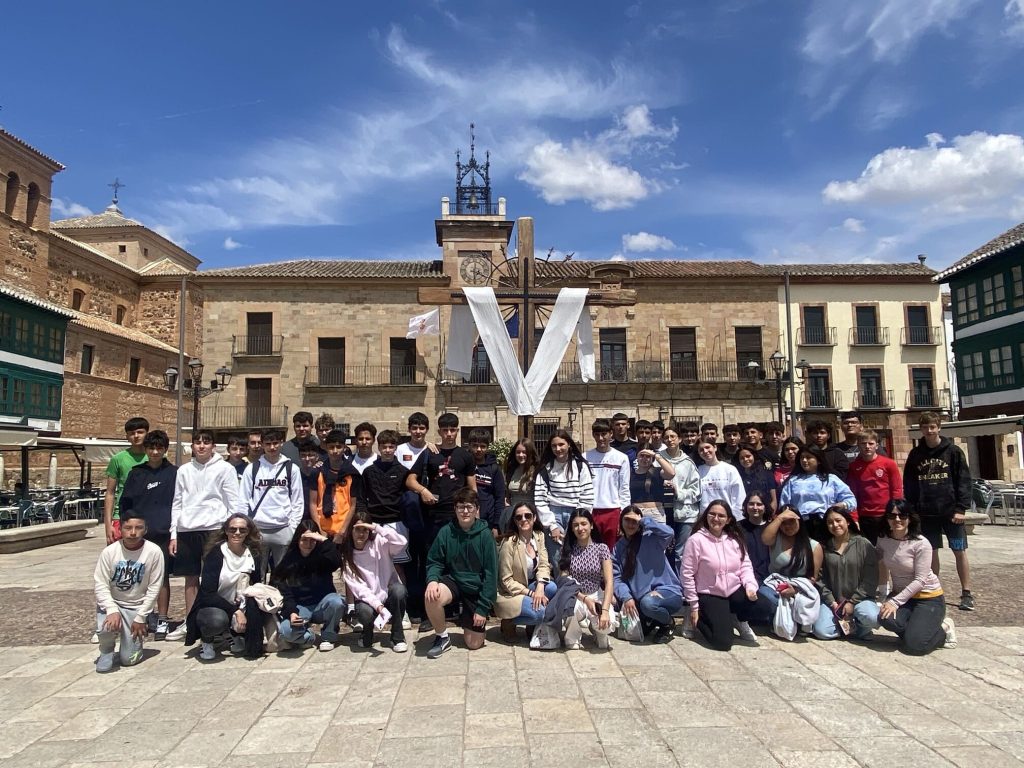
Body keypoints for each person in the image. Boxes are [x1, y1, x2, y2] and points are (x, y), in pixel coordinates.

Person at [167, 431, 239, 641]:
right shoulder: (184, 470)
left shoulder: (225, 469)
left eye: (206, 442)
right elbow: (177, 503)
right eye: (197, 442)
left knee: (216, 578)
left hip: (214, 528)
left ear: (213, 446)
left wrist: (231, 530)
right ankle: (191, 622)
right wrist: (174, 534)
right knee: (191, 579)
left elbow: (233, 502)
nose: (201, 446)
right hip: (187, 529)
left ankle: (220, 621)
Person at [406, 412, 476, 628]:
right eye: (444, 430)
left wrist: (477, 520)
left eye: (452, 430)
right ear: (439, 431)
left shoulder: (465, 455)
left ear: (457, 430)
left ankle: (456, 608)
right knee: (433, 561)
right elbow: (410, 480)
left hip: (458, 517)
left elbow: (472, 488)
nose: (448, 434)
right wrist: (423, 491)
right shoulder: (429, 454)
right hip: (433, 517)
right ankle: (431, 613)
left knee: (458, 561)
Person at [903, 412, 974, 611]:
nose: (929, 431)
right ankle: (936, 591)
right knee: (930, 553)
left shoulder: (953, 451)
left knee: (959, 551)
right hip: (926, 513)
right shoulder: (916, 454)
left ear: (939, 427)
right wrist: (912, 509)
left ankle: (966, 592)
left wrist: (961, 508)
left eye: (932, 427)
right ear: (921, 429)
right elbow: (909, 483)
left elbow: (964, 480)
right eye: (925, 427)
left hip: (952, 512)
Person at [873, 499, 957, 654]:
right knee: (885, 618)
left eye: (902, 516)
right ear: (886, 518)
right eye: (892, 516)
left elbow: (920, 580)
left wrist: (894, 603)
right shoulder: (883, 539)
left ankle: (944, 630)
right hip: (903, 596)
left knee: (915, 647)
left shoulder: (921, 543)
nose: (897, 519)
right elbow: (876, 560)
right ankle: (917, 631)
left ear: (910, 518)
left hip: (928, 597)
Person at [423, 488, 498, 658]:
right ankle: (442, 637)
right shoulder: (446, 532)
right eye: (460, 507)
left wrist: (483, 608)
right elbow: (434, 561)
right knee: (431, 595)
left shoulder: (485, 535)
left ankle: (469, 619)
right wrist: (433, 580)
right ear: (455, 509)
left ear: (476, 509)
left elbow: (491, 574)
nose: (465, 511)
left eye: (469, 507)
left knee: (474, 644)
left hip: (475, 587)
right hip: (455, 581)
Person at [118, 429, 176, 639]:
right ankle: (141, 615)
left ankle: (161, 618)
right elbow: (125, 503)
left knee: (161, 578)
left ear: (165, 449)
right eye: (151, 448)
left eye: (159, 448)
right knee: (138, 576)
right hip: (139, 533)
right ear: (145, 449)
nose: (154, 452)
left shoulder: (174, 473)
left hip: (163, 532)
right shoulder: (136, 473)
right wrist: (126, 528)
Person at [680, 500, 760, 649]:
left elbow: (746, 566)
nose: (716, 519)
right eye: (712, 514)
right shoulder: (696, 540)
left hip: (732, 589)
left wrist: (750, 586)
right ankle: (698, 618)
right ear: (706, 516)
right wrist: (694, 605)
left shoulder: (735, 539)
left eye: (721, 516)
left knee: (760, 603)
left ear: (728, 519)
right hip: (709, 592)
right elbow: (687, 574)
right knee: (723, 643)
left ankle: (739, 619)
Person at [183, 513, 264, 660]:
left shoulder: (253, 554)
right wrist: (236, 612)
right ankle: (207, 640)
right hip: (213, 604)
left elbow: (256, 584)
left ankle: (233, 633)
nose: (237, 533)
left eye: (242, 530)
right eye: (233, 529)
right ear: (226, 531)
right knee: (217, 621)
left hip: (240, 603)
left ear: (248, 532)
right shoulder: (216, 553)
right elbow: (207, 593)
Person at [93, 510, 164, 672]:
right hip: (114, 602)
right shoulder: (110, 552)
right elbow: (101, 584)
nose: (133, 533)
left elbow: (155, 587)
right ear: (120, 529)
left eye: (138, 528)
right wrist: (111, 609)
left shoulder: (153, 552)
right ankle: (106, 651)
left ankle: (130, 647)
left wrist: (141, 616)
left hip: (136, 605)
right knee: (106, 627)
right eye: (128, 528)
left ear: (145, 530)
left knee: (128, 660)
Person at [339, 510, 409, 652]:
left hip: (386, 592)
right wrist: (378, 606)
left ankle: (397, 637)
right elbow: (360, 590)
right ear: (351, 530)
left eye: (365, 530)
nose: (361, 534)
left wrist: (377, 528)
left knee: (399, 591)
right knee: (365, 612)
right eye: (357, 529)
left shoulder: (379, 543)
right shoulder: (347, 556)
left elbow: (402, 542)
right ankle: (367, 632)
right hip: (367, 600)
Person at [270, 520, 345, 652]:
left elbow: (337, 560)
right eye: (305, 539)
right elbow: (285, 592)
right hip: (300, 607)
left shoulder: (323, 558)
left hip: (322, 605)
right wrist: (292, 612)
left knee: (337, 602)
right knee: (286, 632)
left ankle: (329, 636)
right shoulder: (288, 561)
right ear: (297, 540)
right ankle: (309, 637)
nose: (309, 544)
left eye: (313, 540)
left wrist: (323, 539)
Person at [239, 427, 304, 575]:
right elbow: (243, 499)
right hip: (258, 529)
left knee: (283, 575)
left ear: (281, 443)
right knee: (256, 574)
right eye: (268, 444)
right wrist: (246, 526)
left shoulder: (291, 469)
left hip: (283, 528)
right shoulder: (252, 469)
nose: (272, 447)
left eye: (275, 443)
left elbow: (297, 501)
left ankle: (281, 598)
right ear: (262, 445)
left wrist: (292, 527)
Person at [612, 505, 683, 642]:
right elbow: (617, 578)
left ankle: (668, 622)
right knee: (636, 629)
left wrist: (645, 521)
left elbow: (669, 533)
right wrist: (626, 597)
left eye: (635, 521)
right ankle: (652, 620)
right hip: (639, 597)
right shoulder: (618, 548)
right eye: (627, 520)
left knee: (648, 604)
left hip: (667, 592)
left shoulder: (651, 538)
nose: (631, 524)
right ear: (621, 521)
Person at [812, 506, 879, 640]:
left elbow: (870, 579)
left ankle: (859, 627)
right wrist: (832, 602)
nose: (835, 525)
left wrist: (853, 602)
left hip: (860, 600)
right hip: (833, 602)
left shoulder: (864, 544)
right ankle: (847, 627)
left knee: (872, 617)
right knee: (821, 632)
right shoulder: (824, 547)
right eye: (830, 522)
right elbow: (819, 579)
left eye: (838, 520)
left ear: (847, 521)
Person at [495, 502, 556, 642]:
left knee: (551, 587)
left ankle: (530, 626)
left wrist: (540, 587)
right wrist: (532, 594)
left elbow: (544, 565)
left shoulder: (539, 536)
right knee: (540, 613)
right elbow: (506, 581)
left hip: (530, 586)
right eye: (519, 517)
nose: (523, 519)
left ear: (534, 518)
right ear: (515, 521)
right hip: (510, 593)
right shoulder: (509, 543)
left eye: (527, 515)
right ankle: (508, 621)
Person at [534, 429, 594, 564]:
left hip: (576, 512)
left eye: (561, 444)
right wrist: (551, 525)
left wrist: (579, 520)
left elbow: (587, 495)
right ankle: (563, 584)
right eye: (554, 446)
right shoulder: (546, 468)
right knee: (557, 557)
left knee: (578, 553)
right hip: (554, 513)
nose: (558, 448)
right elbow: (540, 499)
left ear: (569, 445)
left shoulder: (580, 466)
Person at [758, 505, 823, 627]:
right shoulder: (775, 540)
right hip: (776, 586)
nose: (788, 526)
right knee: (765, 597)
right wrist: (779, 518)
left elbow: (813, 578)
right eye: (784, 523)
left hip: (800, 588)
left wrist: (795, 590)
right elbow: (765, 539)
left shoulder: (814, 546)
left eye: (791, 522)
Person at [559, 509, 615, 650]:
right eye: (576, 525)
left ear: (591, 525)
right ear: (571, 528)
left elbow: (609, 582)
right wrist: (584, 599)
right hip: (575, 595)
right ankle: (572, 636)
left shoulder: (601, 549)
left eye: (584, 524)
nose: (580, 528)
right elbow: (565, 582)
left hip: (596, 594)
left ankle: (597, 630)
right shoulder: (567, 549)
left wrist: (606, 610)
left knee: (606, 629)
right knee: (571, 609)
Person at [779, 446, 856, 541]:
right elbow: (784, 505)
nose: (804, 460)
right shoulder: (793, 481)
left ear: (819, 460)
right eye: (802, 458)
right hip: (802, 526)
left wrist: (840, 505)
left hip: (826, 524)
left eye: (808, 457)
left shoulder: (831, 479)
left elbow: (851, 500)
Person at [848, 429, 903, 546]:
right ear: (858, 445)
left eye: (871, 443)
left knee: (888, 548)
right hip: (865, 516)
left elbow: (897, 489)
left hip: (885, 514)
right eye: (863, 444)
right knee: (868, 548)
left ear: (877, 445)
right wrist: (854, 517)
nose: (867, 447)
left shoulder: (889, 464)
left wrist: (895, 512)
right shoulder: (854, 467)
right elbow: (852, 493)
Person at [657, 425, 701, 569]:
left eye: (673, 437)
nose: (669, 440)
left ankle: (681, 584)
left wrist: (678, 492)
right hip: (663, 512)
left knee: (681, 552)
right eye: (666, 437)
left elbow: (697, 491)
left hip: (685, 513)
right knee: (662, 550)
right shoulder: (657, 458)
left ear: (679, 439)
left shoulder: (688, 463)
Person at [585, 419, 631, 547]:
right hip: (591, 510)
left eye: (604, 434)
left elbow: (624, 489)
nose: (601, 438)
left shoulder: (621, 458)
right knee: (591, 550)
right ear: (593, 435)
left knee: (612, 551)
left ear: (611, 434)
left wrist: (624, 515)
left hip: (613, 511)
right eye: (597, 434)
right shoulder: (585, 457)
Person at [104, 416, 149, 544]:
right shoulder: (118, 459)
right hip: (122, 515)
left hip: (147, 515)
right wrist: (108, 524)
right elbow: (110, 493)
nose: (136, 436)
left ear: (146, 434)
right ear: (127, 436)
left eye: (140, 432)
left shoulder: (154, 457)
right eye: (132, 433)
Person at [309, 429, 358, 540]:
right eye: (331, 447)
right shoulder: (317, 471)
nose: (335, 451)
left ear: (344, 447)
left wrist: (343, 530)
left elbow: (353, 505)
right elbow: (312, 503)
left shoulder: (352, 473)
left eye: (339, 447)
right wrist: (319, 530)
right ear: (326, 447)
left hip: (343, 529)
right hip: (322, 528)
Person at [467, 428, 506, 539]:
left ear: (487, 447)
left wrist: (496, 525)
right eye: (475, 446)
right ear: (469, 445)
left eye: (483, 446)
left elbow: (499, 498)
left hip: (488, 521)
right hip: (467, 518)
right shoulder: (464, 464)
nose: (479, 449)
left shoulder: (494, 468)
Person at [696, 438, 745, 516]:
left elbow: (739, 496)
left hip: (726, 517)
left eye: (708, 447)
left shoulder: (730, 469)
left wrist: (736, 517)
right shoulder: (698, 471)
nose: (705, 451)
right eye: (701, 450)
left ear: (715, 448)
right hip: (705, 517)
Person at [628, 445, 675, 522]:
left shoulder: (657, 471)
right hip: (636, 513)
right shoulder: (630, 474)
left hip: (655, 512)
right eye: (642, 455)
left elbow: (671, 473)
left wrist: (656, 455)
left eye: (648, 456)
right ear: (637, 457)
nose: (644, 459)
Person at [503, 438, 539, 533]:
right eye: (518, 452)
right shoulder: (511, 469)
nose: (521, 455)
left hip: (530, 515)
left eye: (524, 452)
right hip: (513, 515)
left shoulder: (537, 471)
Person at [737, 491, 772, 587]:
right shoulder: (737, 528)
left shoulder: (772, 528)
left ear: (765, 507)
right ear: (745, 506)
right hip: (744, 578)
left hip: (769, 579)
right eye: (751, 504)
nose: (755, 507)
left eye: (759, 504)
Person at [735, 445, 778, 514]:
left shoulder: (767, 473)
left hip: (766, 514)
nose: (746, 459)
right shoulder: (738, 476)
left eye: (748, 456)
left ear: (754, 456)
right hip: (746, 515)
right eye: (742, 458)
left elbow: (774, 499)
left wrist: (770, 515)